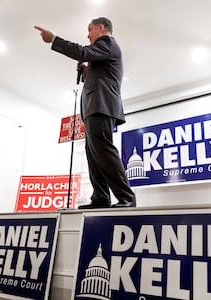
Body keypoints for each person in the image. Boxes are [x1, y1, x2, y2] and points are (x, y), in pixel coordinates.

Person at [35, 17, 136, 209]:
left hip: (101, 106)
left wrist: (54, 39)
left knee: (103, 150)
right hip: (94, 107)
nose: (87, 34)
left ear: (101, 28)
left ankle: (126, 197)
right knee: (93, 153)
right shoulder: (104, 50)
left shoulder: (107, 43)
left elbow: (82, 51)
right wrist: (85, 72)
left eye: (90, 30)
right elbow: (102, 75)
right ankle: (100, 197)